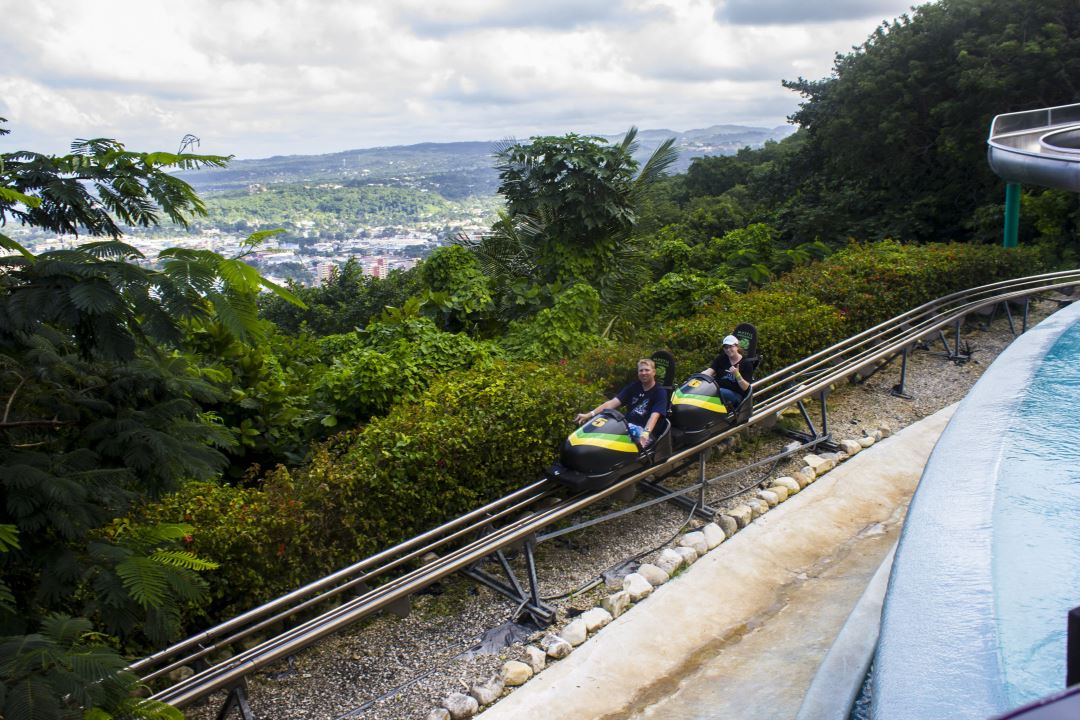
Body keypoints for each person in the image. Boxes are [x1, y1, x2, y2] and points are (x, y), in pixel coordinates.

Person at [575, 358, 668, 448]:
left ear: (654, 372)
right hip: (626, 427)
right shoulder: (634, 387)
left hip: (646, 433)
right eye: (641, 370)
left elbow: (654, 416)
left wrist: (646, 433)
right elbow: (612, 403)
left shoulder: (660, 392)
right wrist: (589, 414)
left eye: (647, 370)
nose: (643, 373)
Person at [702, 334, 753, 411]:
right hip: (718, 390)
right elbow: (710, 371)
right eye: (726, 347)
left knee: (718, 392)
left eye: (731, 346)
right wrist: (697, 377)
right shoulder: (721, 358)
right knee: (704, 389)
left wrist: (737, 374)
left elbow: (745, 387)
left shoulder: (746, 363)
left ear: (737, 347)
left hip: (736, 395)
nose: (728, 349)